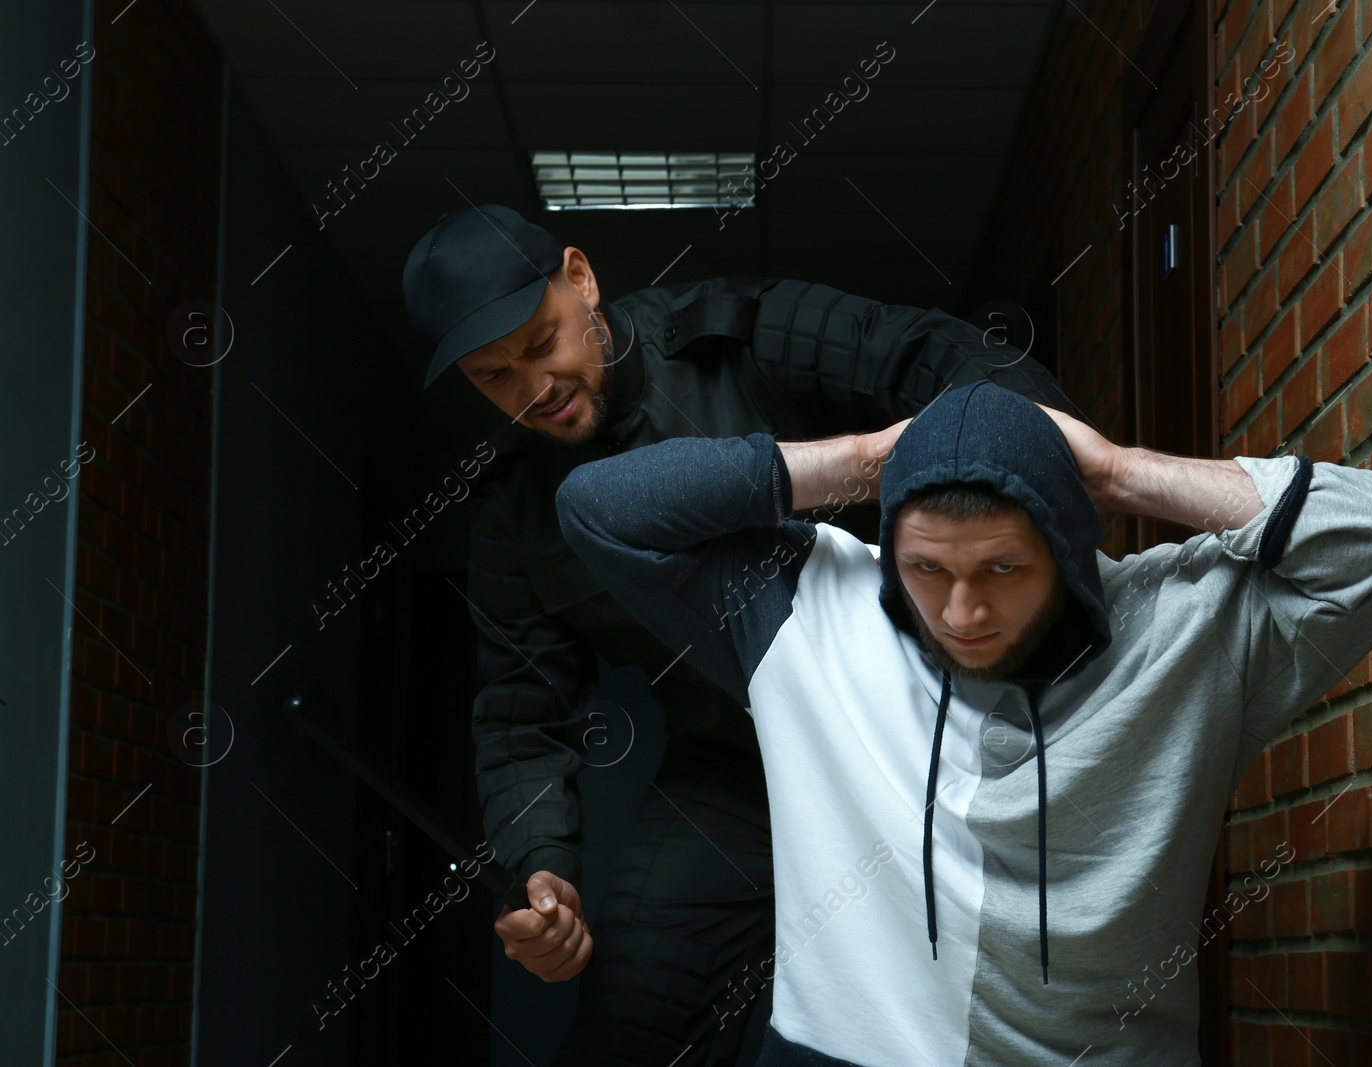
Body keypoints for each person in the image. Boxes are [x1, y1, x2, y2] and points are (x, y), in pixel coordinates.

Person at [553, 380, 1372, 1065]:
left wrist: (1115, 469)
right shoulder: (805, 609)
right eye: (927, 568)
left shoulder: (1187, 626)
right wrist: (868, 458)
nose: (962, 610)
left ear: (1067, 543)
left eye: (1006, 567)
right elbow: (598, 508)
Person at [400, 204, 1080, 1065]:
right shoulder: (511, 516)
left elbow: (921, 351)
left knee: (980, 1013)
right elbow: (520, 715)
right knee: (626, 1027)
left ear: (580, 278)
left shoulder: (735, 331)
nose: (533, 388)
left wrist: (1049, 472)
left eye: (541, 345)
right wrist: (541, 869)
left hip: (913, 729)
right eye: (493, 377)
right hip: (731, 767)